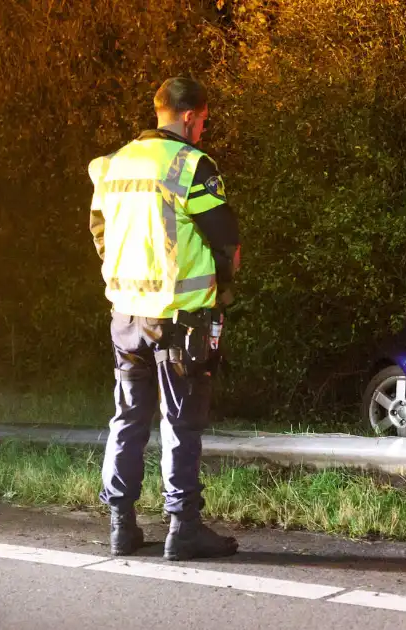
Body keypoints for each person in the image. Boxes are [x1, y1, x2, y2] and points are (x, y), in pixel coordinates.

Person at [88, 77, 241, 560]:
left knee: (128, 416)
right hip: (179, 318)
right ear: (193, 116)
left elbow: (99, 232)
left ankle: (121, 526)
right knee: (181, 422)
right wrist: (223, 288)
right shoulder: (191, 165)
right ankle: (183, 528)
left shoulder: (112, 165)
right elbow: (225, 240)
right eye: (203, 122)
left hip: (126, 314)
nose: (202, 130)